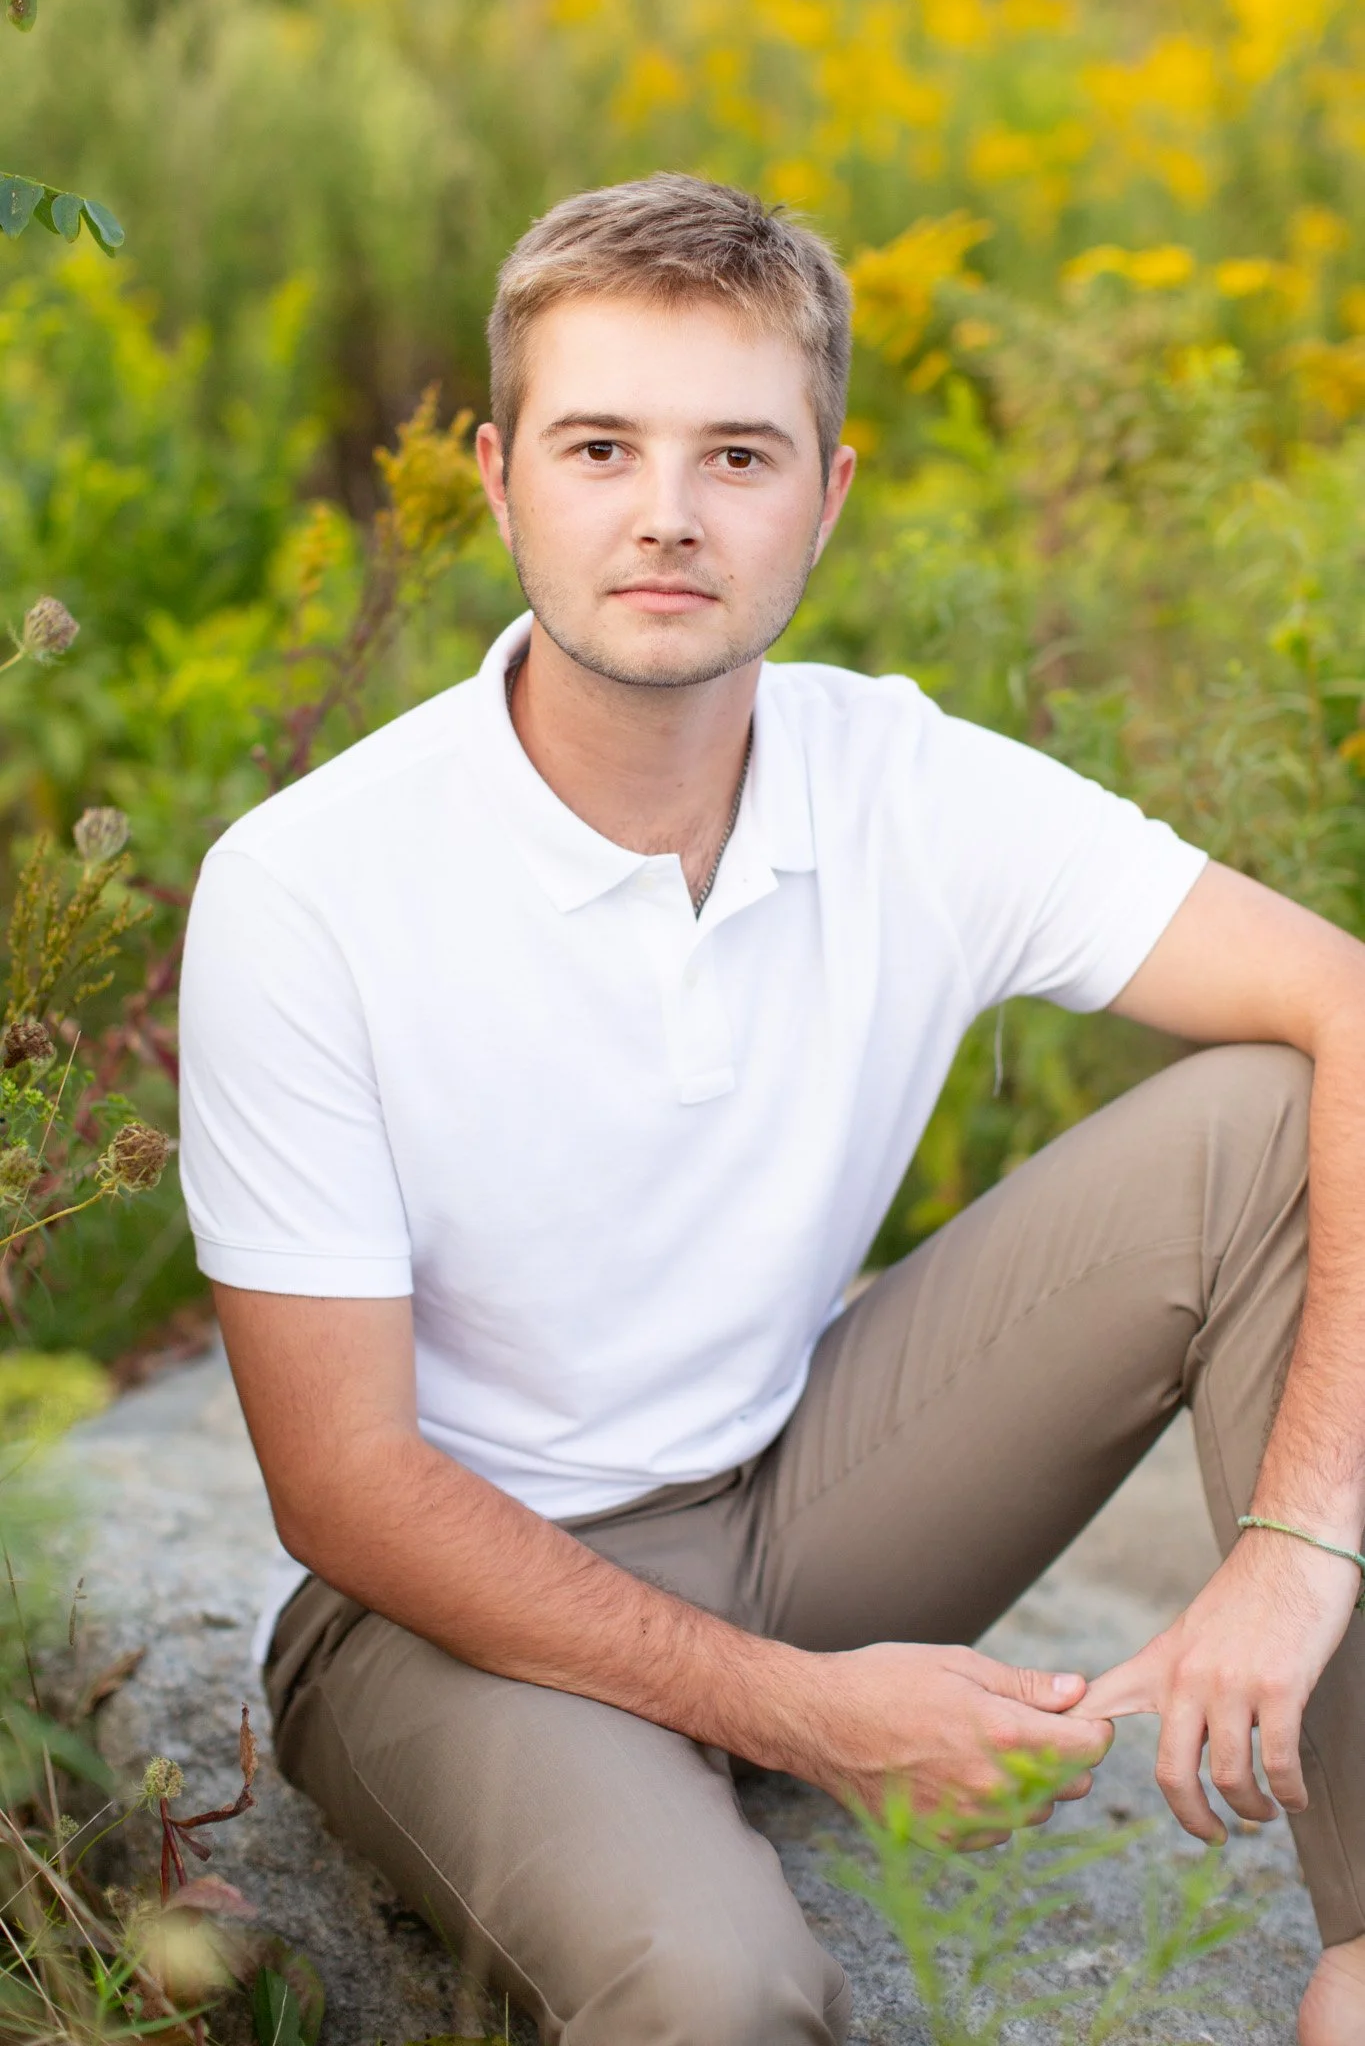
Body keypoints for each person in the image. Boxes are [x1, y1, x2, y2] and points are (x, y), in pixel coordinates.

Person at [178, 174, 1365, 2045]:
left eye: (738, 452)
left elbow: (1348, 1004)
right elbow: (343, 1487)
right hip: (442, 1617)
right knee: (716, 1993)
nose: (666, 514)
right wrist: (813, 1720)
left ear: (830, 490)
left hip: (804, 1495)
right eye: (599, 446)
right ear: (499, 477)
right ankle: (683, 1805)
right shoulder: (310, 886)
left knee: (1269, 1117)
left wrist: (1299, 1550)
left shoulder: (900, 780)